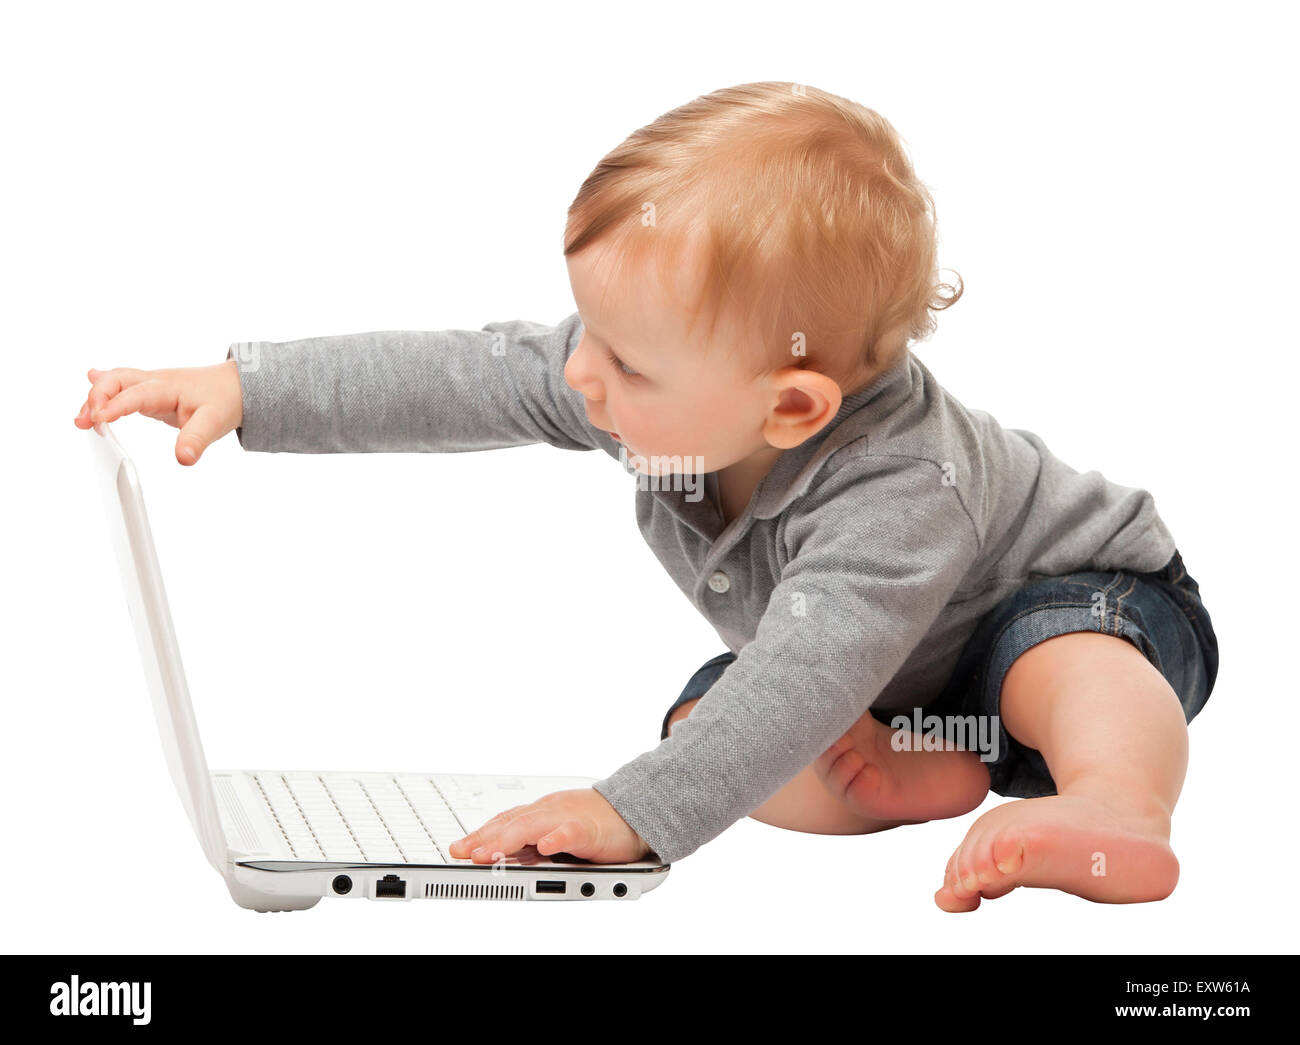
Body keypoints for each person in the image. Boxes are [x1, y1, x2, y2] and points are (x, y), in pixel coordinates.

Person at [73, 82, 1218, 911]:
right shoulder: (665, 388)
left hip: (1090, 600)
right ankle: (914, 771)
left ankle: (1114, 799)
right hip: (884, 683)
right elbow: (468, 374)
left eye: (621, 363)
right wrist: (251, 389)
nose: (580, 376)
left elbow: (806, 669)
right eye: (592, 335)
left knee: (1047, 655)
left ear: (792, 408)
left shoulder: (901, 489)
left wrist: (633, 812)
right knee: (708, 717)